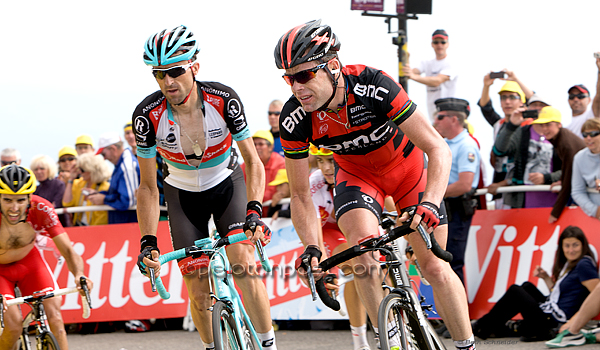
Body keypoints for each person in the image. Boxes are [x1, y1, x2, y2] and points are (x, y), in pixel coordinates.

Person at [275, 20, 475, 350]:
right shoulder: (295, 117)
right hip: (358, 180)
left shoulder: (372, 85)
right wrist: (313, 248)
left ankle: (466, 346)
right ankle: (390, 340)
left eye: (304, 75)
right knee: (364, 261)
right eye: (288, 78)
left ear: (333, 66)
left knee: (435, 268)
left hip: (408, 172)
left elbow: (437, 148)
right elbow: (298, 194)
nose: (296, 87)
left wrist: (430, 203)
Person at [133, 25, 277, 350]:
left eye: (175, 71)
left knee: (243, 263)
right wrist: (147, 241)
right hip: (182, 196)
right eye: (159, 75)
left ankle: (269, 345)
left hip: (227, 184)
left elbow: (254, 163)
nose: (168, 82)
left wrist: (254, 210)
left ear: (194, 67)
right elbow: (146, 188)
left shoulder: (223, 99)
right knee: (197, 291)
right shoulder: (146, 116)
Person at [0, 164, 93, 350]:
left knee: (56, 318)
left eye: (20, 201)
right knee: (13, 325)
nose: (14, 208)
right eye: (7, 200)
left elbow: (68, 250)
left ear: (29, 197)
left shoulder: (41, 207)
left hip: (29, 262)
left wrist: (79, 275)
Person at [472, 226, 599, 342]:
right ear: (561, 247)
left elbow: (596, 297)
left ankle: (480, 327)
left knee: (516, 291)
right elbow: (558, 296)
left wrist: (573, 323)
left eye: (575, 245)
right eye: (567, 246)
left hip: (554, 322)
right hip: (551, 314)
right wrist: (545, 278)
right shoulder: (571, 264)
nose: (571, 250)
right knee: (527, 286)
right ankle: (491, 327)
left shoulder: (584, 264)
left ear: (583, 246)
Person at [309, 145, 372, 350]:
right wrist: (324, 265)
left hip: (356, 225)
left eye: (331, 161)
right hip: (329, 230)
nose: (326, 168)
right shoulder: (315, 183)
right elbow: (315, 232)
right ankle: (360, 343)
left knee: (379, 268)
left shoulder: (356, 172)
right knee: (357, 269)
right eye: (320, 161)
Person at [433, 98, 480, 286]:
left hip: (457, 210)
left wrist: (433, 193)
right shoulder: (445, 143)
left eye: (440, 116)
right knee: (439, 262)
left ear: (454, 119)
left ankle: (456, 314)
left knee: (452, 262)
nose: (436, 121)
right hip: (445, 208)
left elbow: (465, 184)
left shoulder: (466, 145)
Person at [492, 95, 561, 209]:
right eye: (534, 105)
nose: (538, 108)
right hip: (523, 200)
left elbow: (570, 169)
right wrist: (512, 125)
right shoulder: (522, 132)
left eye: (542, 106)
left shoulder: (560, 135)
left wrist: (547, 178)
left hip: (554, 201)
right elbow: (500, 150)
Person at [478, 73, 532, 209]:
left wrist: (516, 79)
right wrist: (486, 85)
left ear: (522, 101)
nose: (507, 102)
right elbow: (486, 108)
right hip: (499, 185)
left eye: (512, 97)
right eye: (503, 98)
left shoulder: (529, 125)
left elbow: (536, 101)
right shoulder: (499, 123)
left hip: (520, 187)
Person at [529, 106, 585, 223]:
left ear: (559, 124)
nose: (544, 129)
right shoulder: (560, 138)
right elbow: (568, 170)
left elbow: (569, 181)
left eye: (548, 124)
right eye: (542, 125)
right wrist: (561, 179)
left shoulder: (566, 144)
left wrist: (555, 213)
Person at [403, 29, 458, 123]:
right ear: (432, 44)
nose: (439, 45)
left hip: (449, 113)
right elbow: (409, 73)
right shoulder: (427, 63)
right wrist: (405, 59)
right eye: (436, 42)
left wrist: (413, 76)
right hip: (433, 114)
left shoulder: (451, 63)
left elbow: (437, 81)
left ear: (447, 44)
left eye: (443, 42)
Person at [87, 131, 139, 224]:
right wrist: (99, 194)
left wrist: (104, 199)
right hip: (126, 226)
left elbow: (129, 201)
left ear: (113, 149)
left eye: (103, 154)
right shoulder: (122, 164)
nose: (104, 158)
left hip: (129, 226)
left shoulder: (127, 166)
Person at [62, 153, 111, 226]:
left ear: (92, 170)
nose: (79, 172)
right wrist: (71, 179)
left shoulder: (105, 187)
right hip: (79, 228)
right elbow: (66, 203)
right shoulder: (79, 183)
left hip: (98, 229)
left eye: (82, 170)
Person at [545, 283, 600, 347]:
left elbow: (595, 296)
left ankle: (573, 333)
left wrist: (573, 324)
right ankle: (584, 334)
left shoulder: (584, 273)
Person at [241, 130, 286, 203]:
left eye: (261, 144)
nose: (257, 147)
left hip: (272, 210)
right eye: (254, 144)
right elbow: (240, 189)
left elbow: (276, 191)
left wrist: (253, 199)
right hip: (252, 209)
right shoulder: (245, 165)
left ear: (270, 147)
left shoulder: (280, 163)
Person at [564, 55, 600, 138]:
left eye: (580, 96)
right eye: (572, 96)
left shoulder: (592, 116)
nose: (576, 99)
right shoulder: (565, 128)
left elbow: (598, 97)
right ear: (568, 100)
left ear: (589, 100)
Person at [571, 118, 600, 219]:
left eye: (593, 134)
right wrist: (594, 210)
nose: (588, 138)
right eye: (584, 135)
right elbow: (577, 191)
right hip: (594, 217)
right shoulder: (579, 157)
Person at [30, 154, 68, 226]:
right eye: (36, 169)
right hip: (40, 226)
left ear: (49, 169)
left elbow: (56, 205)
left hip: (59, 226)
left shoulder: (59, 185)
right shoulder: (35, 190)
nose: (39, 172)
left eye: (42, 168)